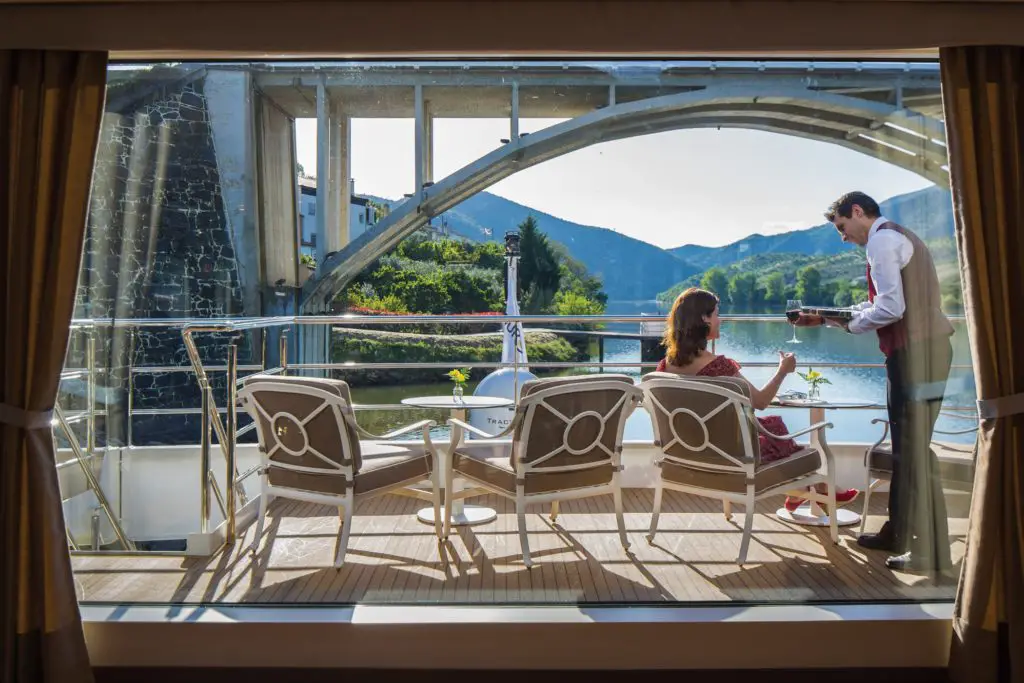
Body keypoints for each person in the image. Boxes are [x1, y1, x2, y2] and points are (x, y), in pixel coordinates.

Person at [798, 191, 955, 572]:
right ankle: (899, 532)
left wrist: (848, 324)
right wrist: (829, 317)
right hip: (919, 354)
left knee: (914, 452)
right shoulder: (895, 238)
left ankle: (932, 552)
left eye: (841, 227)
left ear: (857, 212)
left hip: (918, 358)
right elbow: (881, 304)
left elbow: (890, 308)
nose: (843, 236)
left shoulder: (881, 242)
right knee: (907, 449)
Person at [655, 287, 860, 510]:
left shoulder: (664, 368)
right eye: (716, 314)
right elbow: (760, 402)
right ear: (704, 319)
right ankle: (818, 487)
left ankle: (803, 492)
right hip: (730, 460)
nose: (720, 320)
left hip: (690, 454)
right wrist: (783, 371)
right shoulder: (718, 366)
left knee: (769, 432)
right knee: (779, 435)